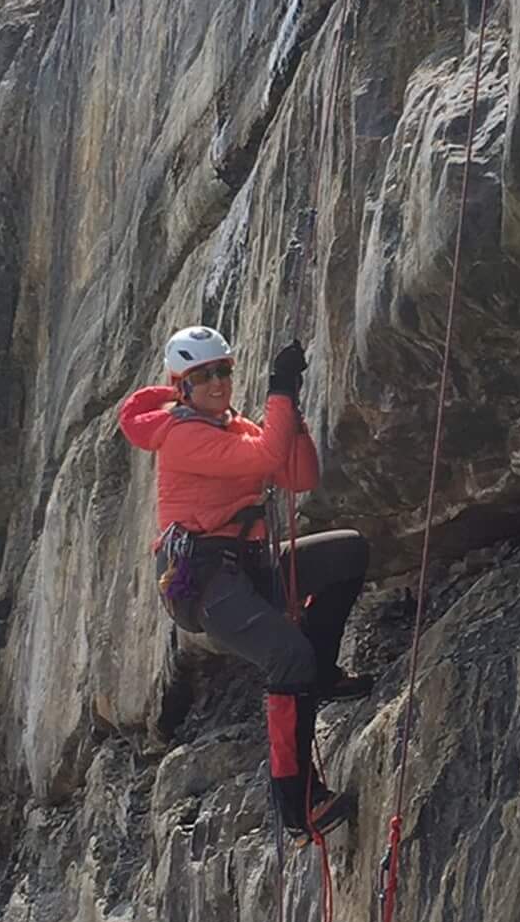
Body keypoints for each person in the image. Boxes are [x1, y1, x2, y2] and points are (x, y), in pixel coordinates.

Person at [119, 326, 370, 840]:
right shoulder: (183, 436)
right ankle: (298, 807)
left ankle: (319, 676)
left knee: (348, 552)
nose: (217, 382)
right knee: (287, 657)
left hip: (247, 565)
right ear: (182, 385)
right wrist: (280, 392)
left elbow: (298, 475)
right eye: (203, 375)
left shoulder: (234, 428)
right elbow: (265, 462)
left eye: (223, 371)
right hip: (208, 582)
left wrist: (289, 411)